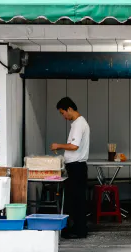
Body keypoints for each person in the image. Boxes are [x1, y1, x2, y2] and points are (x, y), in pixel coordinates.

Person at [51, 97, 90, 239]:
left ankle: (79, 230)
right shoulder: (77, 123)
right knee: (75, 199)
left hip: (77, 167)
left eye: (62, 113)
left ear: (69, 109)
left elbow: (74, 146)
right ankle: (77, 228)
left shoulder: (79, 124)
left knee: (76, 200)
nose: (63, 116)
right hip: (76, 167)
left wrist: (58, 146)